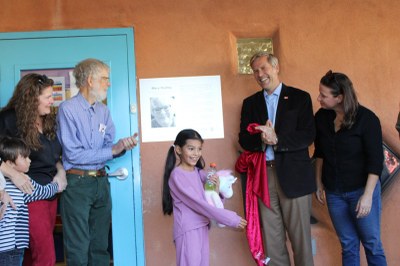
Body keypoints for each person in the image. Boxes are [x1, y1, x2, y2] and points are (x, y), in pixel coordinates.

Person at [57, 58, 138, 266]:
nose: (108, 84)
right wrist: (111, 149)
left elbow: (108, 149)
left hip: (101, 182)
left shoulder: (104, 111)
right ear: (90, 80)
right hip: (77, 184)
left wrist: (122, 146)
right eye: (105, 79)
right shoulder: (67, 109)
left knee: (100, 246)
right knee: (78, 247)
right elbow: (73, 155)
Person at [238, 52, 316, 266]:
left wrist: (277, 139)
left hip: (295, 177)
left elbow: (308, 135)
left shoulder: (300, 98)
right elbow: (244, 139)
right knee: (272, 241)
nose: (260, 74)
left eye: (263, 68)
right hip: (263, 176)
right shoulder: (250, 103)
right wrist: (262, 140)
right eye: (255, 70)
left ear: (276, 67)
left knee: (301, 241)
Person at [314, 70, 387, 265]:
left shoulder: (367, 119)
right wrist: (319, 182)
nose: (318, 98)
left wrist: (367, 196)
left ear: (339, 97)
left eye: (323, 95)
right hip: (334, 193)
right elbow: (320, 152)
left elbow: (375, 161)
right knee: (348, 244)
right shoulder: (321, 117)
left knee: (372, 244)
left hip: (362, 190)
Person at [0, 73, 67, 266]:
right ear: (31, 96)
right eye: (47, 97)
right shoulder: (8, 119)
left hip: (50, 196)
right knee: (46, 255)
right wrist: (14, 175)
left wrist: (61, 172)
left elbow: (55, 157)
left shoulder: (48, 120)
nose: (51, 101)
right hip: (27, 195)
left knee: (30, 255)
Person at [162, 129, 247, 266]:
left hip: (202, 226)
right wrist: (231, 219)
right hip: (188, 230)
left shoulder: (198, 172)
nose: (196, 154)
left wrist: (217, 188)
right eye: (191, 149)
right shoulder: (177, 176)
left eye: (199, 149)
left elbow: (211, 198)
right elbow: (199, 204)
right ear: (178, 150)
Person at [0, 137, 64, 266]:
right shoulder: (24, 183)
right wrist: (57, 185)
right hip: (13, 247)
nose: (30, 160)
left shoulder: (2, 184)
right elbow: (43, 191)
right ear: (10, 164)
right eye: (24, 157)